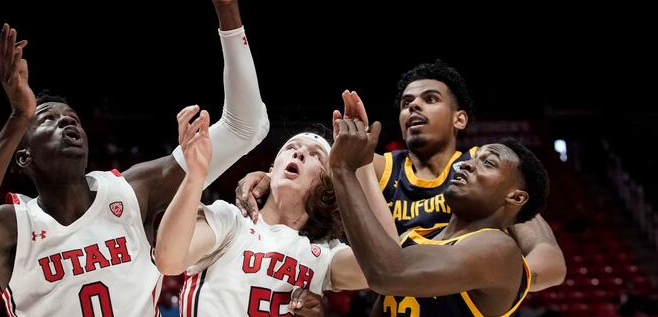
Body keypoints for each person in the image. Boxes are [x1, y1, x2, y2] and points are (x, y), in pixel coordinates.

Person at [0, 0, 269, 316]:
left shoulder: (134, 192)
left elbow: (245, 127)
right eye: (47, 120)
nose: (67, 122)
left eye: (72, 118)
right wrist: (18, 118)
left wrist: (227, 10)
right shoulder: (15, 227)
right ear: (24, 157)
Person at [238, 62, 566, 294]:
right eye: (407, 103)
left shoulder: (485, 181)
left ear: (460, 119)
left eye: (430, 100)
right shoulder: (380, 168)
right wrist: (266, 179)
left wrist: (472, 277)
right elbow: (321, 175)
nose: (414, 108)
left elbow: (550, 263)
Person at [153, 115, 395, 315]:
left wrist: (360, 164)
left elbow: (389, 266)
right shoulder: (232, 220)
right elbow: (169, 260)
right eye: (291, 148)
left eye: (315, 156)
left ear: (329, 186)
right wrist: (195, 176)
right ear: (271, 170)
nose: (299, 154)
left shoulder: (324, 255)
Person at [330, 115, 550, 317]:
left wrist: (344, 169)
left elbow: (386, 274)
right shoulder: (413, 238)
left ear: (516, 197)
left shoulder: (500, 249)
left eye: (488, 163)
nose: (466, 164)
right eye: (473, 158)